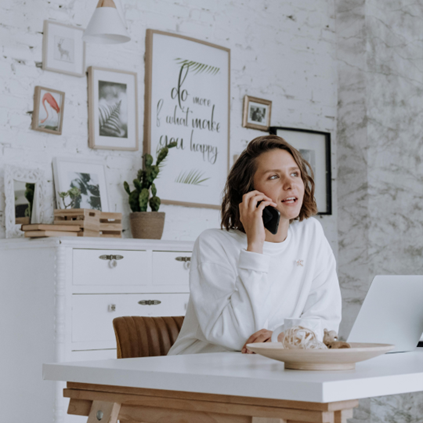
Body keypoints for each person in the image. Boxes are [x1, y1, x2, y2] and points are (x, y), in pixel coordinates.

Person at [168, 135, 342, 355]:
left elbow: (326, 322)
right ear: (249, 192)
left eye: (295, 174)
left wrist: (279, 337)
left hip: (271, 364)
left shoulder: (311, 234)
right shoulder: (213, 244)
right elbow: (240, 334)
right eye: (274, 177)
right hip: (203, 368)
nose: (290, 185)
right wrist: (255, 245)